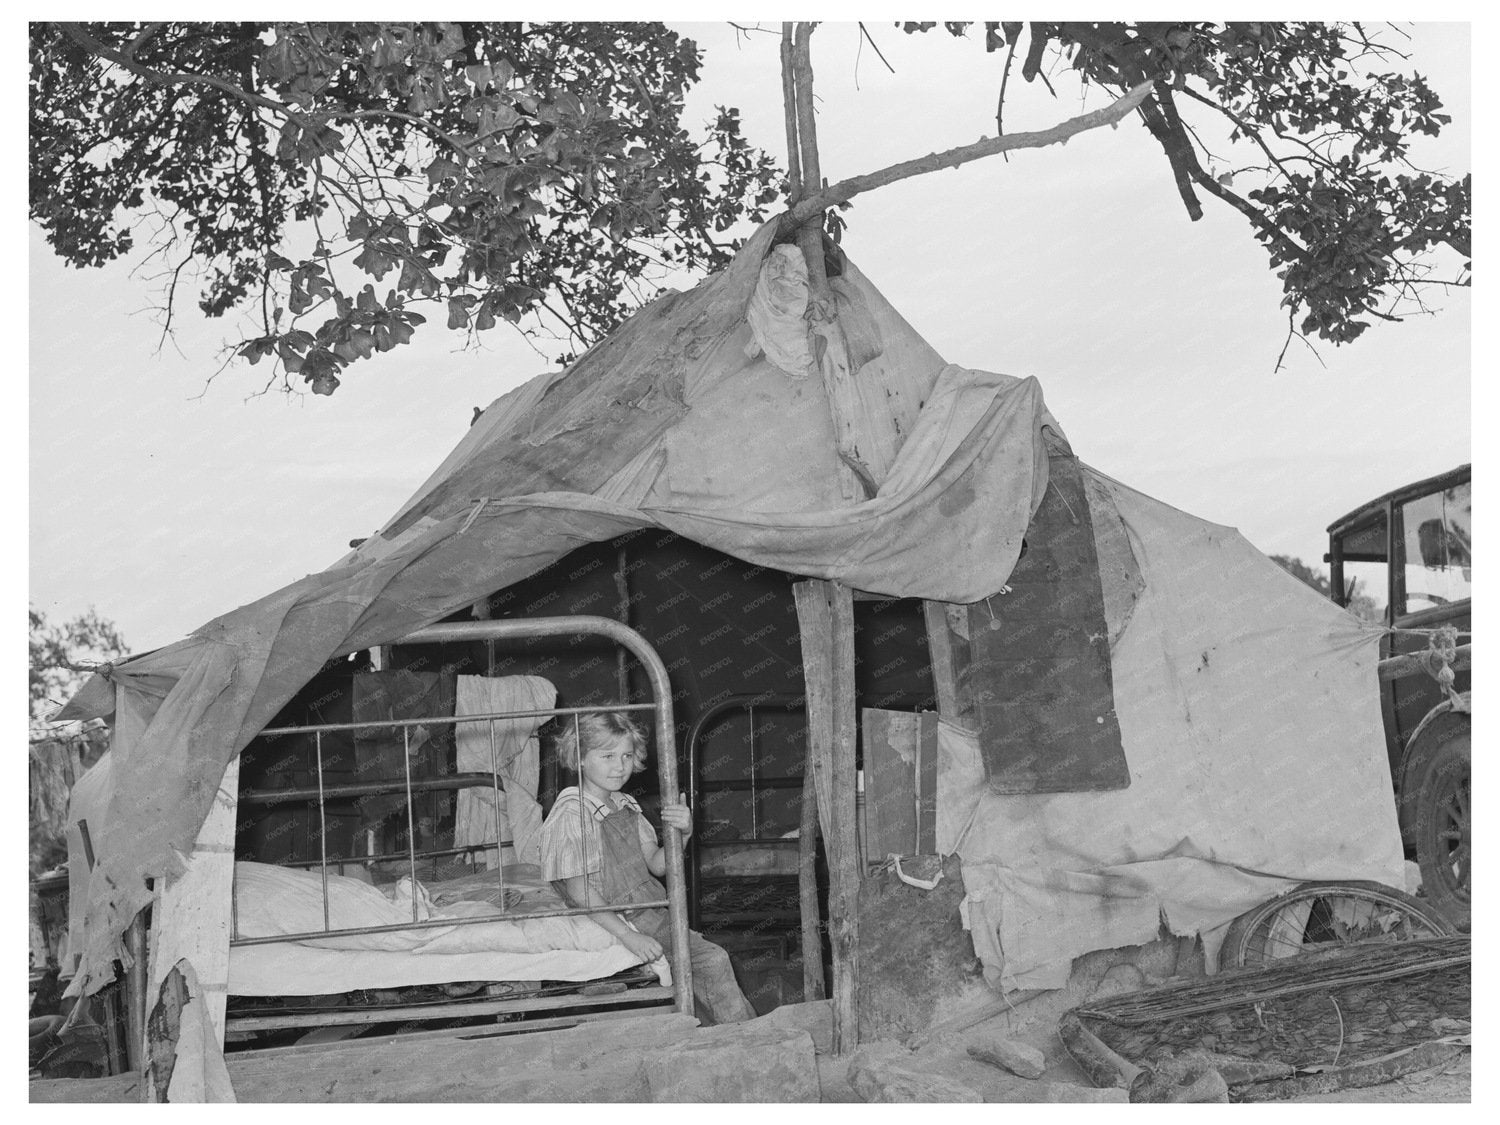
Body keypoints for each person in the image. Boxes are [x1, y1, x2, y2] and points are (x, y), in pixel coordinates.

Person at [540, 711, 757, 1024]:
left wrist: (680, 836)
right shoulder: (571, 812)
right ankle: (744, 1037)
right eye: (608, 755)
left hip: (648, 908)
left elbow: (656, 865)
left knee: (709, 961)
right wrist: (629, 938)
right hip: (618, 915)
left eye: (627, 755)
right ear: (581, 758)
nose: (620, 765)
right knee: (711, 960)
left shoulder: (625, 805)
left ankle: (728, 1035)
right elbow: (578, 892)